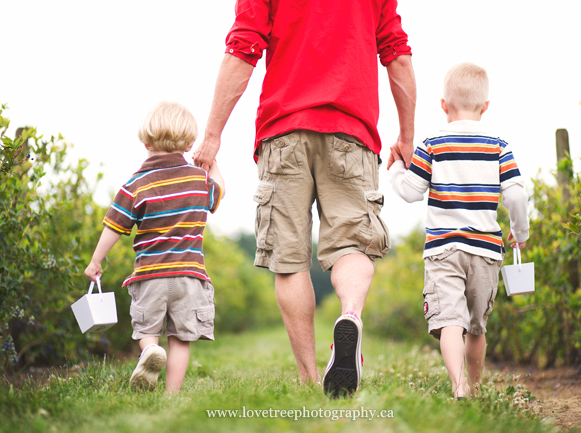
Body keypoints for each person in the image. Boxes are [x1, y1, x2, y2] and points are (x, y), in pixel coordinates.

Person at [192, 0, 416, 397]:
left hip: (284, 132)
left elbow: (242, 49)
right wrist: (407, 137)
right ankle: (350, 317)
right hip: (353, 130)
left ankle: (310, 377)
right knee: (353, 243)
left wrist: (212, 136)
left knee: (289, 258)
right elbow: (396, 55)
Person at [388, 62, 529, 398]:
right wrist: (519, 232)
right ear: (485, 106)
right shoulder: (499, 146)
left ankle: (458, 385)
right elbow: (516, 194)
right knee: (477, 328)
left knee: (450, 320)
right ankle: (476, 387)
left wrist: (394, 167)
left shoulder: (432, 144)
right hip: (485, 251)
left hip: (443, 250)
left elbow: (410, 191)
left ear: (442, 105)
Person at [84, 101, 225, 393]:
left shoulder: (136, 184)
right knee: (181, 338)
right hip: (190, 275)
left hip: (150, 275)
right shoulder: (200, 181)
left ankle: (149, 351)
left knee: (147, 330)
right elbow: (220, 191)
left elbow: (113, 227)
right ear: (188, 144)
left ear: (144, 140)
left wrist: (96, 260)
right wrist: (210, 161)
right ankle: (171, 395)